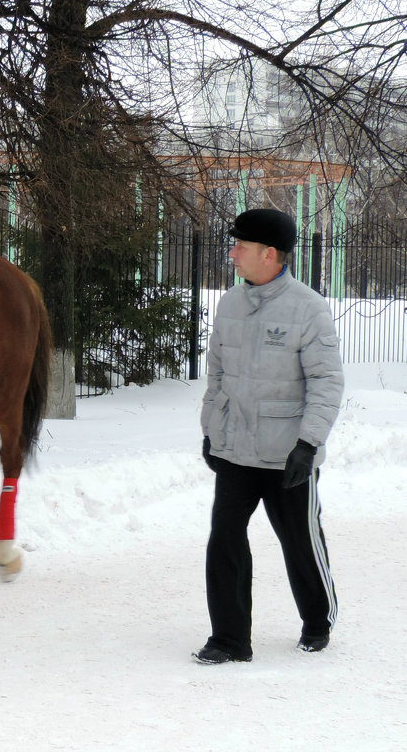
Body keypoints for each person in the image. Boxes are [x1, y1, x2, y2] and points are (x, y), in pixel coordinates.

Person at [194, 208, 344, 665]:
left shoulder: (309, 308)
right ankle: (230, 639)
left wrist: (308, 444)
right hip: (236, 449)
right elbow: (217, 372)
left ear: (270, 254)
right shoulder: (230, 303)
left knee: (299, 540)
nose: (232, 254)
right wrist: (211, 431)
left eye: (240, 246)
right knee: (224, 538)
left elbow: (326, 383)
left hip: (288, 456)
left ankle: (317, 621)